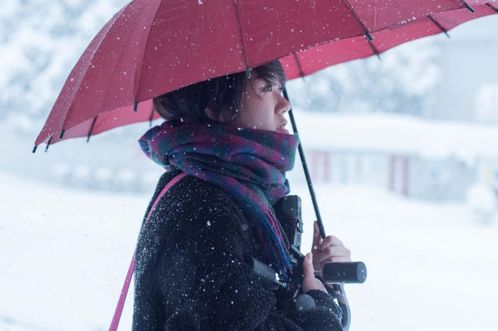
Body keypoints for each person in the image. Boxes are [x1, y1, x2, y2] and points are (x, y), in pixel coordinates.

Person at [133, 60, 352, 330]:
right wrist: (320, 307)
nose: (284, 103)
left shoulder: (234, 192)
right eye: (266, 87)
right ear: (216, 106)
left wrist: (318, 278)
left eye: (280, 87)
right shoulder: (202, 207)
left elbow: (264, 305)